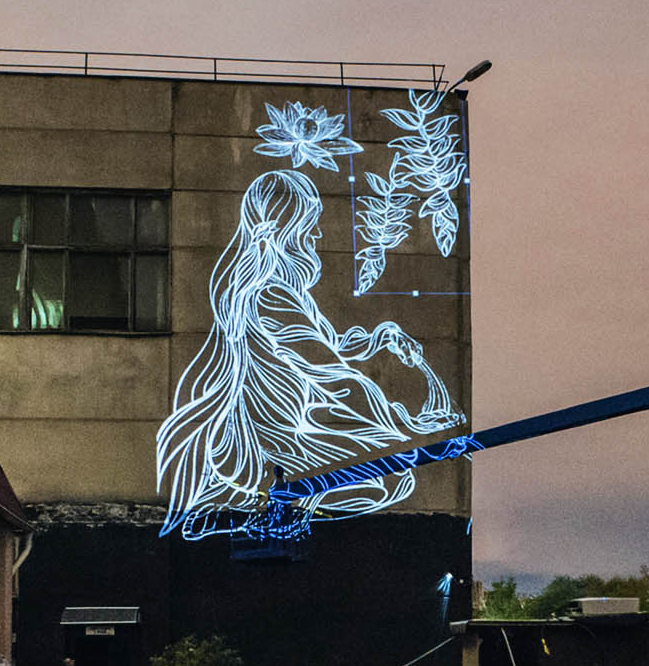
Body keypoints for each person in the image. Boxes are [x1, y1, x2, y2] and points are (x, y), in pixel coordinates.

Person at [154, 167, 464, 541]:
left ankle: (269, 508)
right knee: (392, 477)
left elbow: (330, 345)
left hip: (295, 418)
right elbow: (330, 372)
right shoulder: (269, 294)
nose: (317, 237)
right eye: (309, 227)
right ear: (285, 232)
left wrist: (381, 337)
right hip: (278, 432)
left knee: (391, 475)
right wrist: (401, 427)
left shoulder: (286, 291)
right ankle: (255, 511)